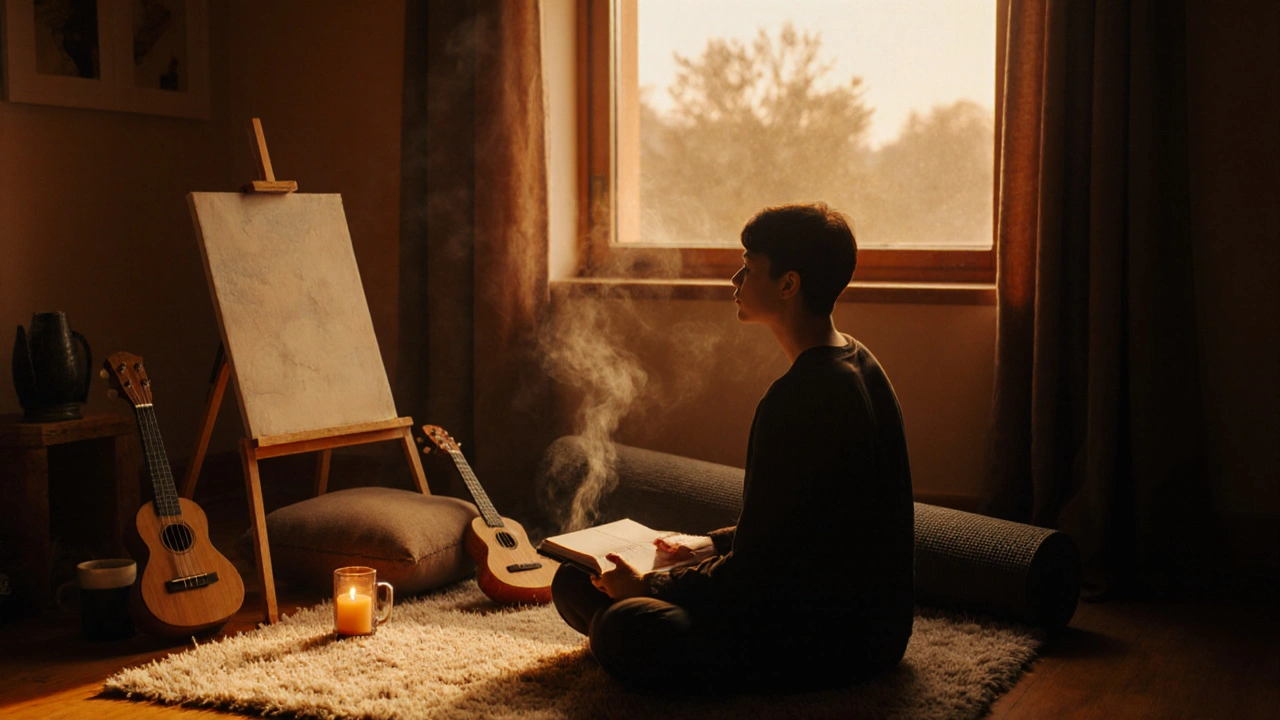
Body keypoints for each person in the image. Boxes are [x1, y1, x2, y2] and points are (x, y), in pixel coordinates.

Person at [550, 202, 915, 691]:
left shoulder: (799, 399)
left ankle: (621, 637)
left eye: (748, 267)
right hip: (869, 627)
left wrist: (650, 585)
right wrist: (706, 545)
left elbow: (757, 576)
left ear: (788, 284)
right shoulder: (859, 359)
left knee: (626, 624)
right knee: (577, 577)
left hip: (831, 640)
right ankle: (621, 630)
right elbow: (795, 530)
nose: (735, 279)